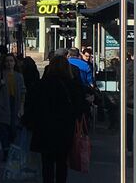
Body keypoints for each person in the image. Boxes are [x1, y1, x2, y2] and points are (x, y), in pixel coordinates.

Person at [27, 48, 89, 183]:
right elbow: (80, 107)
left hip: (44, 130)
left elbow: (31, 106)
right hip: (65, 130)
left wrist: (30, 124)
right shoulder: (73, 85)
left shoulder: (41, 85)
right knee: (62, 163)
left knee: (46, 163)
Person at [0, 53, 26, 161]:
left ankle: (11, 148)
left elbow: (23, 92)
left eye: (11, 61)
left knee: (13, 130)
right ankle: (6, 151)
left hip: (15, 105)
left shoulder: (19, 76)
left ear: (14, 63)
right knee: (3, 130)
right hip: (2, 105)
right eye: (7, 61)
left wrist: (22, 107)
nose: (9, 63)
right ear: (4, 63)